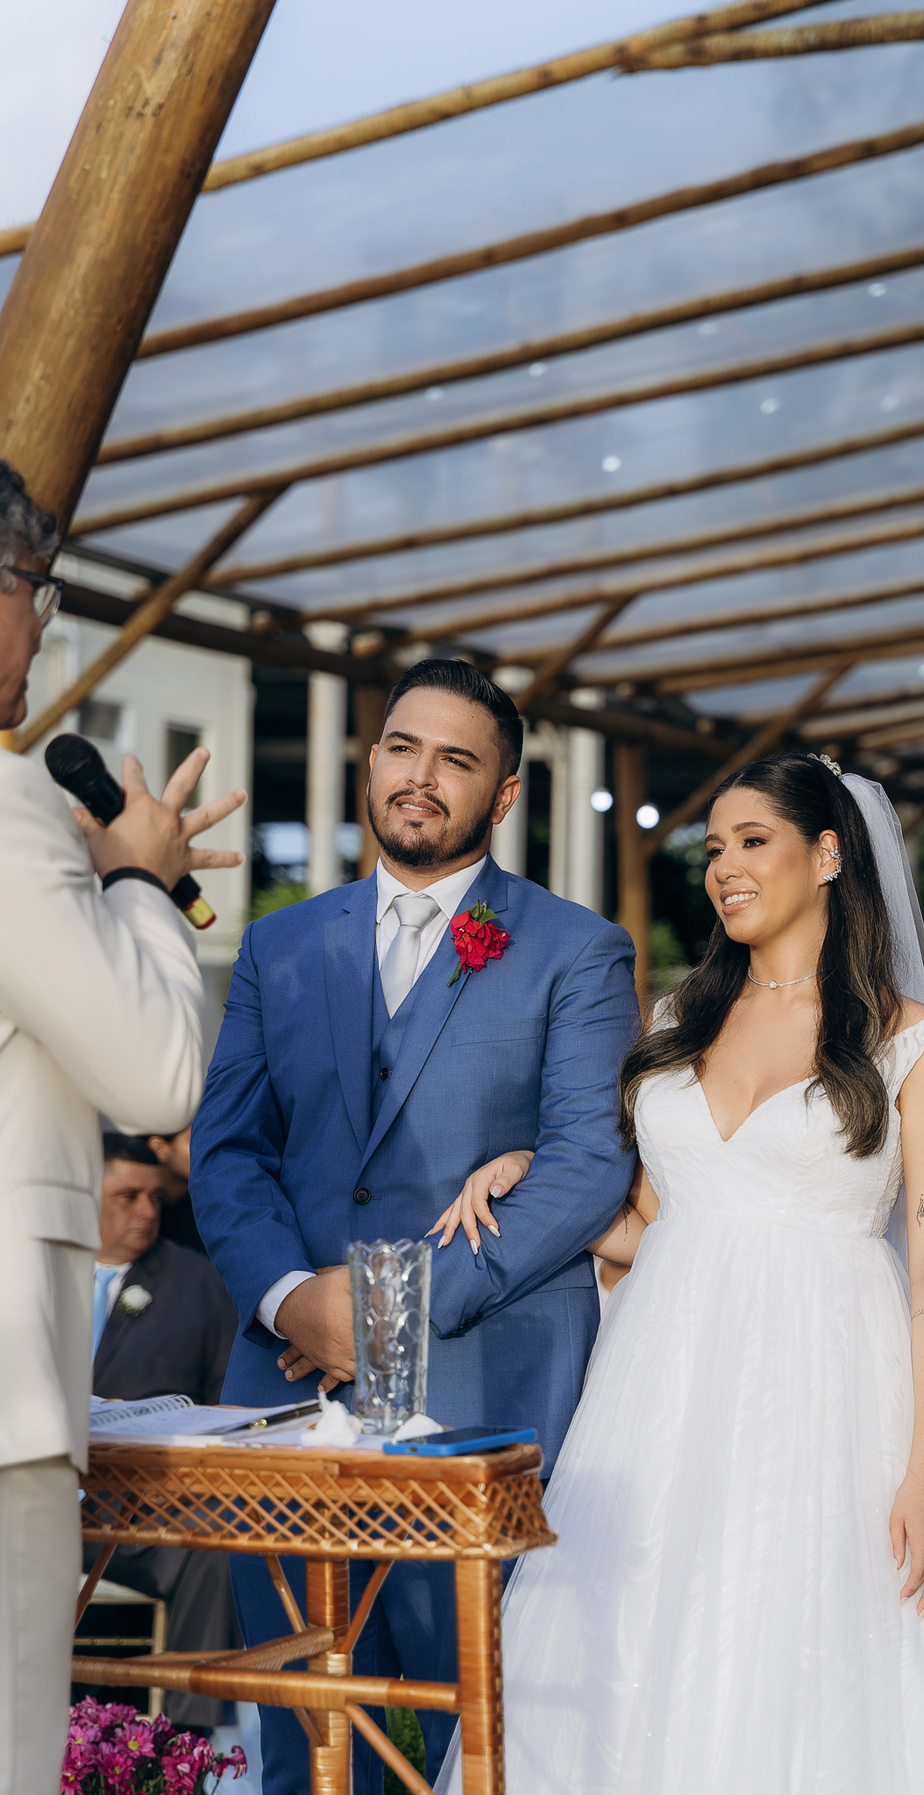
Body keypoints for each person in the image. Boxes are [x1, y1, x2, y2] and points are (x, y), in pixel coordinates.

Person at [434, 751, 924, 1794]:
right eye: (714, 849)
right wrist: (535, 1177)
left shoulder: (917, 1045)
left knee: (825, 1671)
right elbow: (661, 1227)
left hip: (834, 1399)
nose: (725, 868)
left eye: (754, 841)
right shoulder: (676, 1023)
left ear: (830, 853)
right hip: (659, 1400)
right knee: (633, 1660)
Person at [190, 658, 640, 1790]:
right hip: (286, 1391)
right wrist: (295, 1298)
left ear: (503, 796)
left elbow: (588, 1162)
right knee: (304, 1731)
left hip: (480, 1385)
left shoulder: (577, 950)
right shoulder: (281, 944)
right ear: (370, 760)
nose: (419, 776)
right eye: (401, 746)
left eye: (456, 758)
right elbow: (229, 1150)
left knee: (466, 1728)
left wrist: (387, 1312)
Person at [0, 457, 245, 1795]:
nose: (42, 627)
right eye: (37, 590)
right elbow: (158, 1076)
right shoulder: (8, 805)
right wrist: (144, 888)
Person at [87, 1135, 239, 1729]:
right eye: (127, 1196)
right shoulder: (25, 1275)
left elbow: (230, 1407)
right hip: (35, 1503)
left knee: (215, 1550)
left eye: (155, 1196)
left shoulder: (198, 1285)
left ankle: (184, 1751)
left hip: (138, 1519)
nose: (148, 1211)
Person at [146, 1123, 207, 1256]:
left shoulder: (214, 1203)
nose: (207, 1150)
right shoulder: (140, 1208)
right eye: (196, 1141)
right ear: (159, 1148)